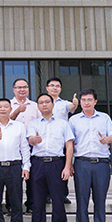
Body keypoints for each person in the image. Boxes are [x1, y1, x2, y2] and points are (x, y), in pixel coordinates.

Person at [69, 88, 112, 222]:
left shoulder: (104, 118)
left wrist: (107, 139)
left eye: (89, 100)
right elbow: (69, 143)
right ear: (80, 102)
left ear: (95, 101)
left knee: (100, 200)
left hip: (101, 163)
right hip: (82, 163)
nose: (86, 103)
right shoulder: (74, 120)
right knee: (82, 199)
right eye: (83, 100)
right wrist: (69, 164)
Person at [27, 93, 73, 222]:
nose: (44, 104)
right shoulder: (33, 124)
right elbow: (30, 140)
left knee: (58, 201)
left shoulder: (63, 124)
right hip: (38, 164)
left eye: (47, 102)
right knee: (37, 201)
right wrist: (34, 140)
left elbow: (69, 146)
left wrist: (67, 166)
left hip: (56, 163)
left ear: (53, 105)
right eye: (41, 102)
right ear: (38, 106)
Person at [45, 77, 78, 205]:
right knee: (46, 169)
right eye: (52, 85)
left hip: (62, 141)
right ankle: (47, 194)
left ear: (60, 89)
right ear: (47, 88)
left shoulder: (64, 103)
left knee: (63, 167)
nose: (55, 88)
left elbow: (71, 107)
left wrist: (75, 103)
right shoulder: (42, 102)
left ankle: (63, 194)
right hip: (46, 140)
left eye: (57, 86)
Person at [9, 78, 40, 214]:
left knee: (31, 178)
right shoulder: (8, 104)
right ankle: (12, 205)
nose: (22, 90)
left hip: (31, 145)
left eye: (25, 87)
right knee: (13, 178)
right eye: (19, 87)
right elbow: (5, 122)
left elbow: (40, 123)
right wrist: (17, 111)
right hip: (13, 146)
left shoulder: (34, 105)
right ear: (13, 89)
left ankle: (31, 204)